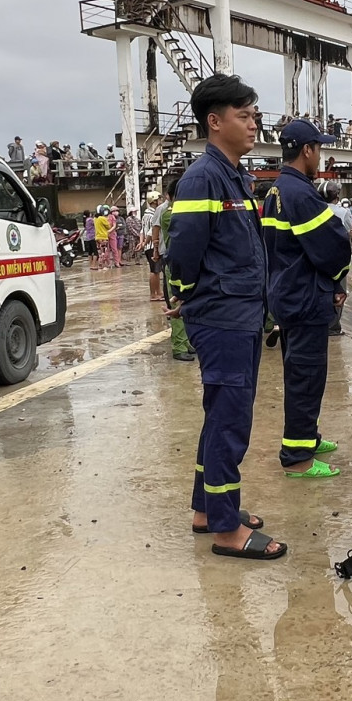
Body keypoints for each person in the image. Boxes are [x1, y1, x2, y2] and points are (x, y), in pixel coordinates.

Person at [166, 74, 285, 559]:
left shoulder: (235, 174)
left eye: (254, 114)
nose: (254, 123)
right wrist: (190, 296)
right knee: (230, 420)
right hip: (224, 317)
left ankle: (206, 509)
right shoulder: (203, 177)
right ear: (215, 122)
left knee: (221, 416)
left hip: (239, 313)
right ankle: (224, 530)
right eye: (244, 115)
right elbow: (184, 252)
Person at [261, 119, 350, 480]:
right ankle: (297, 455)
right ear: (307, 150)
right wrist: (338, 278)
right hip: (305, 298)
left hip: (288, 293)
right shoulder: (300, 194)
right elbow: (333, 247)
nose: (320, 155)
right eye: (319, 148)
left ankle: (307, 436)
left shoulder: (277, 190)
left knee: (302, 372)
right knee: (306, 376)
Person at [156, 172, 193, 361]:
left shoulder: (179, 212)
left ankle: (185, 342)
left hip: (184, 263)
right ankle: (179, 346)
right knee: (178, 305)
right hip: (176, 264)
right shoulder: (171, 214)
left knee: (187, 303)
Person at [142, 191, 165, 301]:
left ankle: (158, 292)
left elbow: (142, 230)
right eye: (159, 199)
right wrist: (146, 242)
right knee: (155, 271)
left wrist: (142, 243)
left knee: (156, 271)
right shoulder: (153, 215)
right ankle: (153, 295)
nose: (161, 201)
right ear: (155, 201)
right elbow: (151, 232)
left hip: (149, 246)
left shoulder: (146, 215)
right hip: (152, 246)